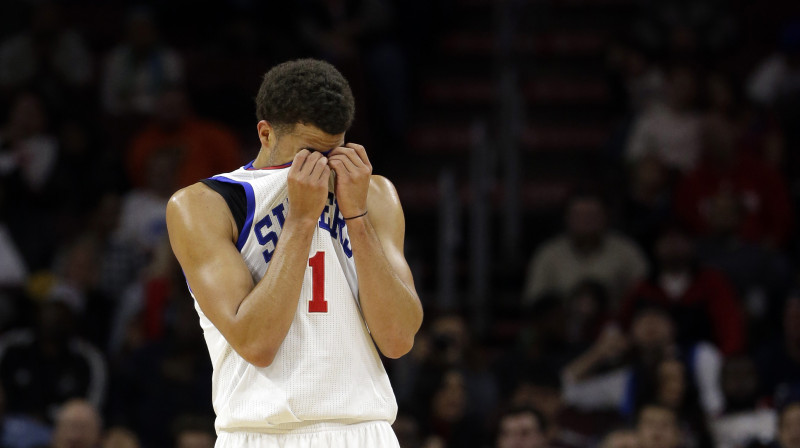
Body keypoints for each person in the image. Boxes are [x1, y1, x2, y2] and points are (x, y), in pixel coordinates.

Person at [166, 59, 422, 446]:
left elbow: (398, 339)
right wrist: (301, 220)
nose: (321, 167)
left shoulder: (374, 194)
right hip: (260, 434)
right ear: (265, 134)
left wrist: (356, 216)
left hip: (363, 431)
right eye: (306, 153)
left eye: (331, 152)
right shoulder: (205, 204)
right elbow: (256, 343)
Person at [523, 192, 648, 308]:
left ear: (606, 217)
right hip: (561, 327)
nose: (585, 222)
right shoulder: (548, 254)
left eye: (591, 215)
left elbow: (644, 297)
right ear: (567, 218)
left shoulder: (627, 252)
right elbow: (534, 302)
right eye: (578, 216)